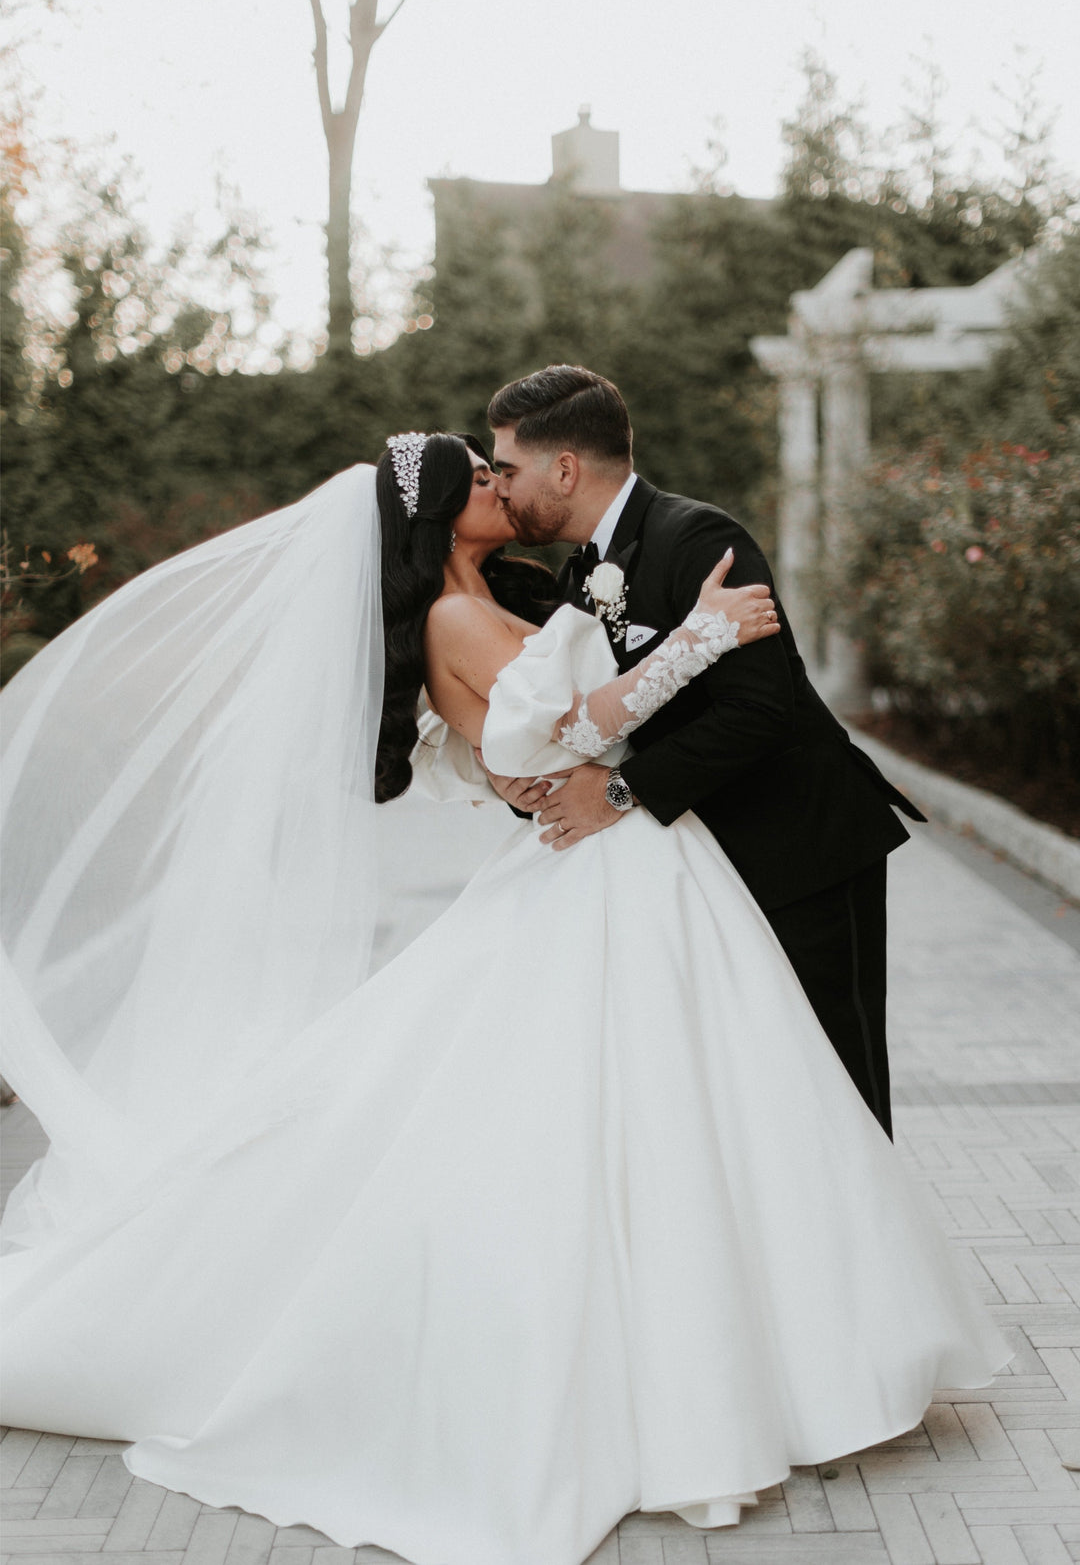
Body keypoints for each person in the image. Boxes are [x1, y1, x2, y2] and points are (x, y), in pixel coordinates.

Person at [1, 435, 1008, 1565]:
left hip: (623, 864)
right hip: (606, 871)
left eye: (499, 464)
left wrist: (567, 745)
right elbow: (581, 727)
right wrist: (701, 639)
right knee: (625, 1112)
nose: (498, 480)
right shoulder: (450, 617)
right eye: (477, 475)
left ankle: (762, 1357)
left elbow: (536, 745)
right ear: (435, 515)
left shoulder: (495, 599)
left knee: (692, 1104)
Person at [484, 365, 925, 1140]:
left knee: (839, 1081)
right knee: (760, 1087)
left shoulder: (700, 538)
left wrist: (619, 792)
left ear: (564, 468)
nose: (503, 489)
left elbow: (760, 709)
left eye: (510, 470)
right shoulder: (581, 571)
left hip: (802, 850)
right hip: (706, 865)